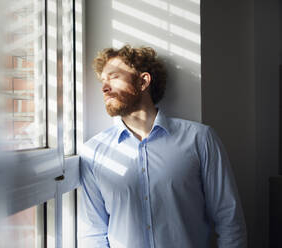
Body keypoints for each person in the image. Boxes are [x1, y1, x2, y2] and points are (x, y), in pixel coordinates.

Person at [78, 45, 247, 248]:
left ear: (143, 81)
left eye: (114, 77)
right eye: (102, 81)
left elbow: (229, 219)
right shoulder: (93, 152)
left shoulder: (200, 139)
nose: (104, 88)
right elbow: (93, 232)